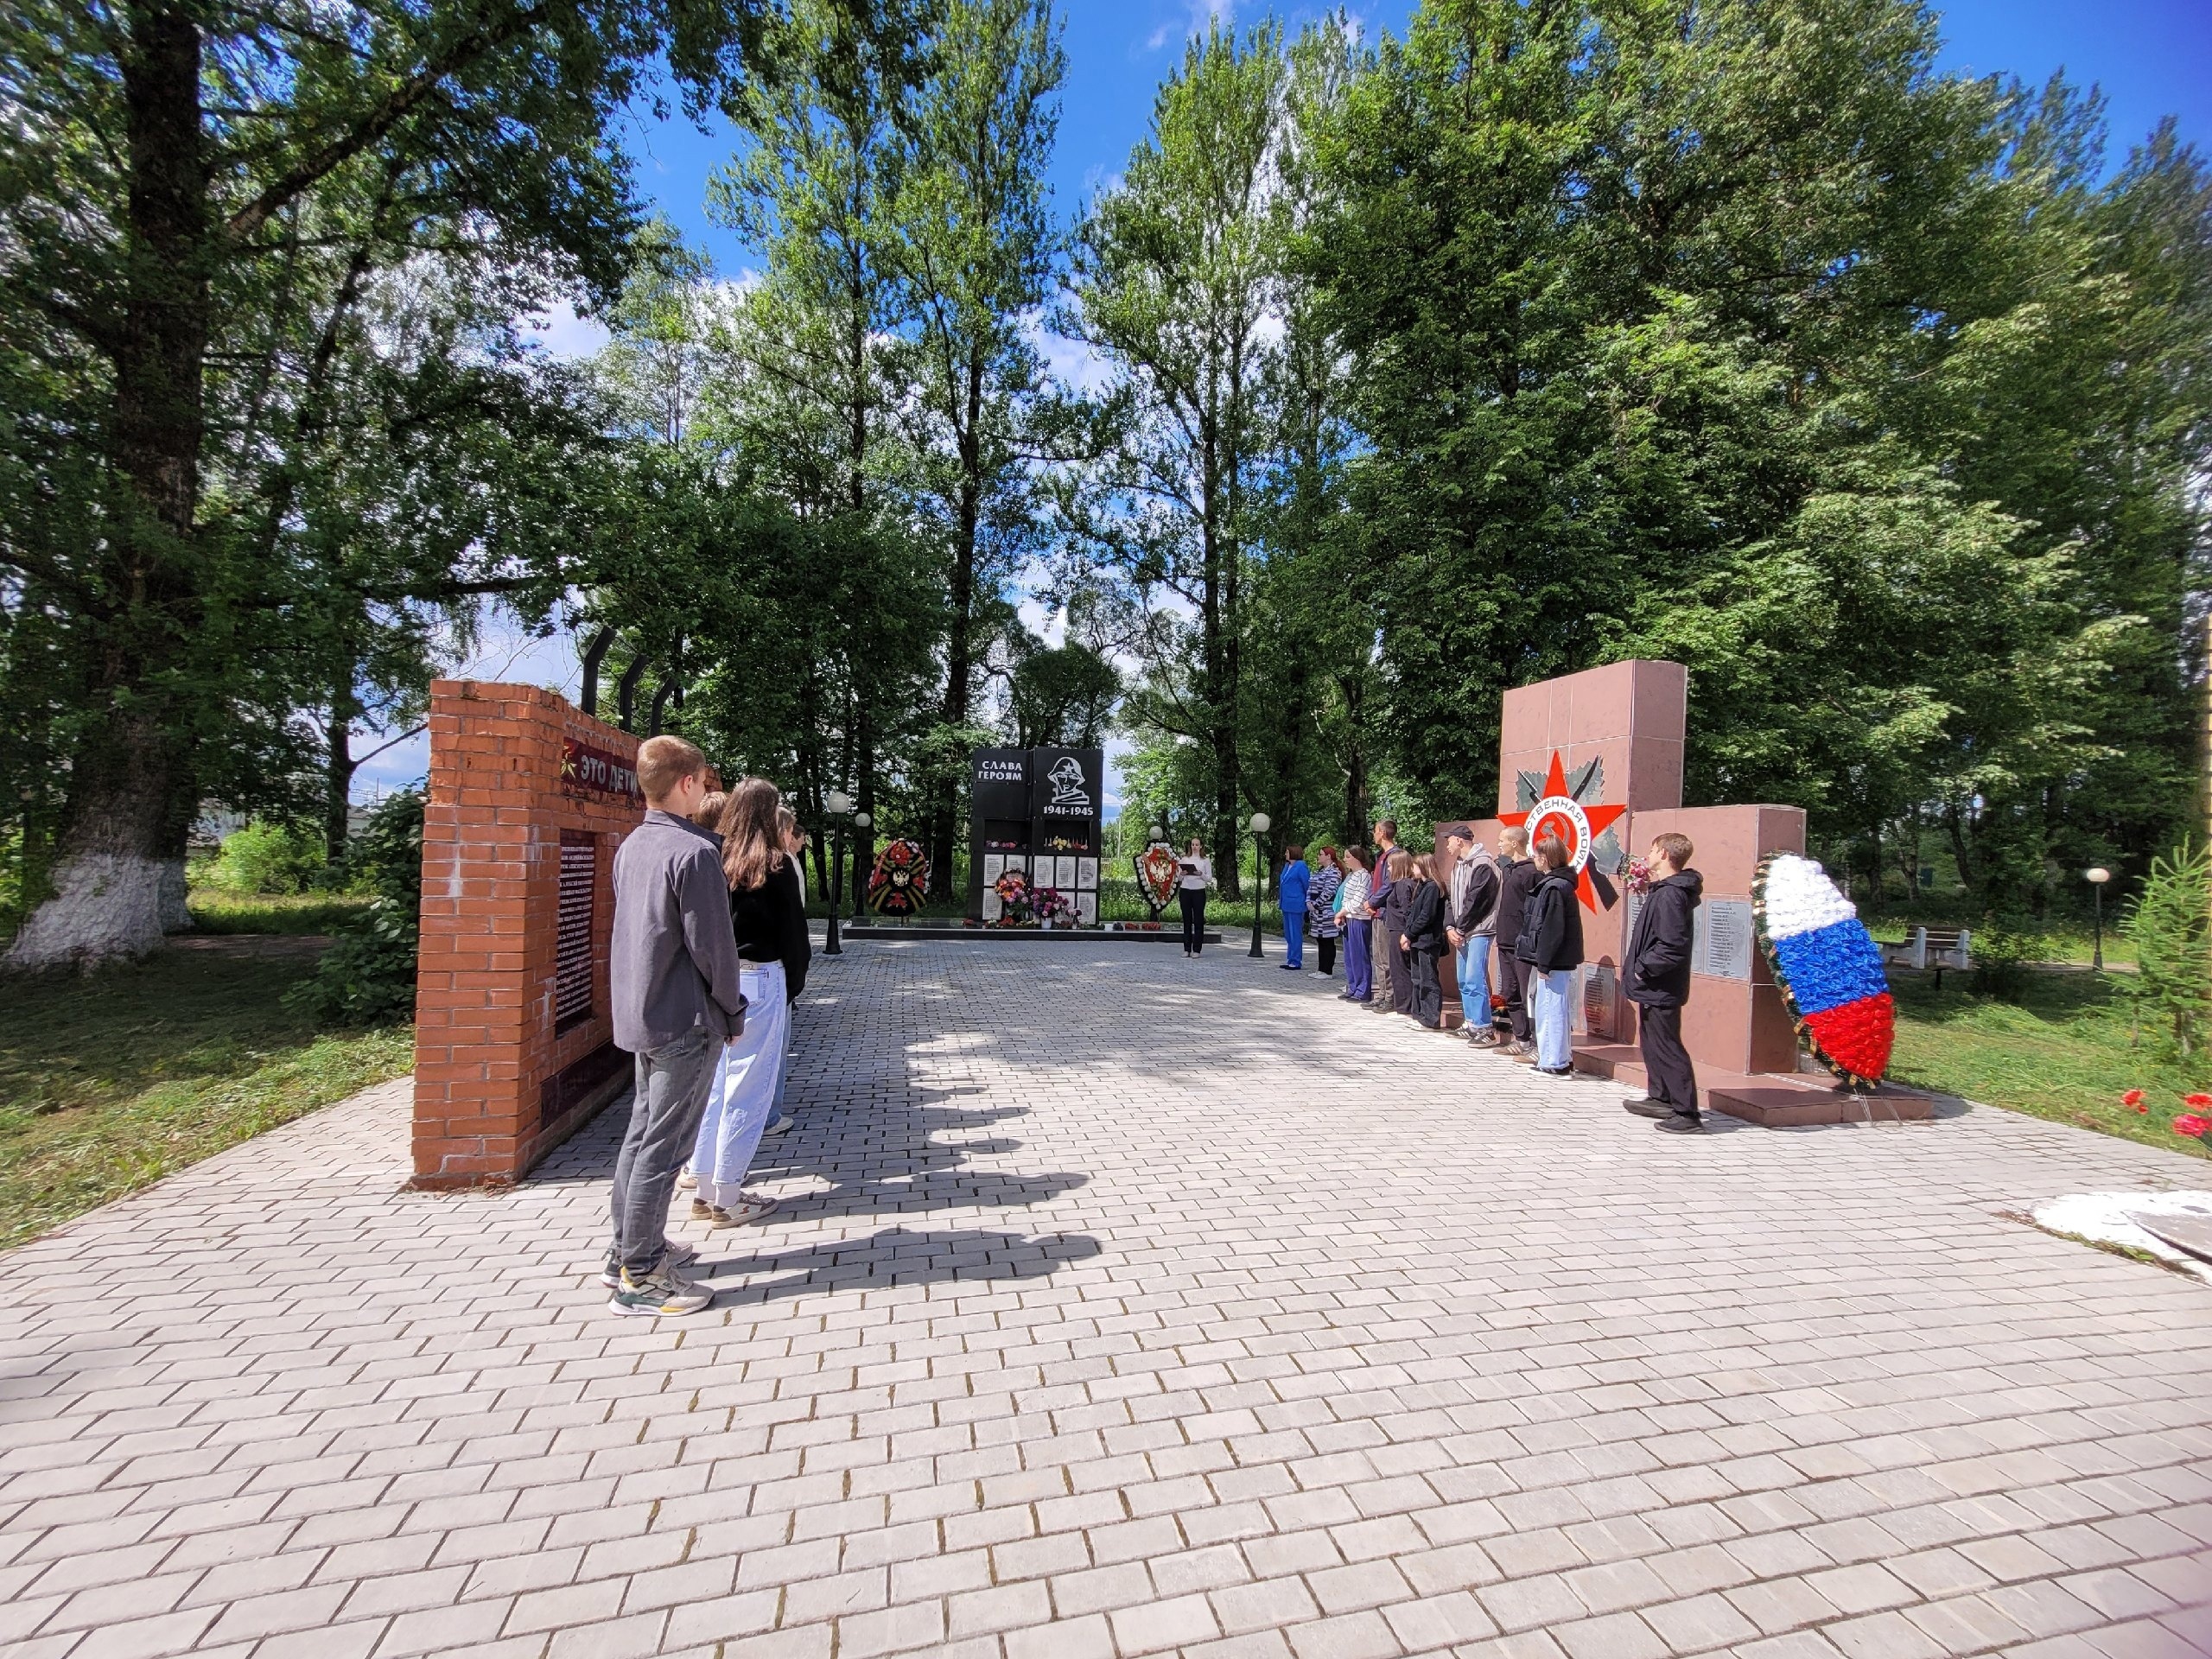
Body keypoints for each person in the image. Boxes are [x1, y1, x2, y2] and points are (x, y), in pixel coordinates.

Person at [606, 735, 746, 1317]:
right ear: (687, 783)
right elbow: (714, 947)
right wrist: (732, 1009)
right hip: (686, 1017)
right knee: (665, 1148)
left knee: (641, 1138)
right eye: (704, 781)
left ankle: (627, 1251)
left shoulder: (633, 846)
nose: (707, 790)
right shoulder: (694, 854)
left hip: (644, 1012)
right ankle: (641, 1277)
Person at [687, 779, 811, 1228]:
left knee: (715, 1086)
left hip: (717, 980)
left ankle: (702, 1187)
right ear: (766, 813)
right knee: (749, 1088)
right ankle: (729, 1195)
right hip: (762, 977)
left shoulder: (710, 859)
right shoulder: (775, 865)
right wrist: (792, 984)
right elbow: (795, 938)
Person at [1623, 832, 1704, 1133]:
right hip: (1654, 985)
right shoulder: (1665, 890)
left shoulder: (1671, 894)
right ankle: (1662, 1096)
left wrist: (1644, 969)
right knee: (1653, 1041)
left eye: (1653, 849)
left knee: (1668, 1045)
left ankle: (1687, 1112)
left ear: (1665, 854)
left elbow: (1672, 945)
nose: (1649, 854)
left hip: (1661, 984)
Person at [1515, 834, 1584, 1077]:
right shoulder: (1556, 884)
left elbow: (1552, 929)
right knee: (1553, 1008)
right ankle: (1559, 1058)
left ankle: (1554, 1061)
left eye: (1536, 855)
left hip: (1554, 961)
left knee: (1551, 1009)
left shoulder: (1555, 887)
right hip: (1554, 960)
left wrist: (1544, 961)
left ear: (1545, 859)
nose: (1534, 859)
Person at [1440, 824, 1501, 1046]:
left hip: (1479, 930)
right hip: (1461, 931)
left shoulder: (1483, 864)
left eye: (1450, 839)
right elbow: (1451, 899)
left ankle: (1485, 1029)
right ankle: (1471, 1022)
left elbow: (1477, 901)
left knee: (1475, 978)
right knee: (1464, 979)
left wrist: (1460, 928)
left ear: (1459, 840)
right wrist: (1449, 927)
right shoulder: (1458, 865)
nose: (1447, 843)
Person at [1492, 828, 1539, 1055]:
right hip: (1505, 940)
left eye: (1502, 841)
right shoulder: (1508, 869)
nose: (1499, 844)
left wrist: (1526, 937)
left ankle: (1535, 1043)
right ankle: (1521, 1040)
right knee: (1510, 991)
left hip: (1523, 943)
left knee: (1526, 992)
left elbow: (1533, 910)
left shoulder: (1531, 872)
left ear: (1514, 843)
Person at [1392, 849, 1449, 1029]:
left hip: (1428, 940)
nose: (1412, 869)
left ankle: (1431, 1018)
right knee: (1417, 978)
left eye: (1415, 865)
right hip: (1417, 939)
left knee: (1428, 979)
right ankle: (1419, 1013)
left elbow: (1426, 916)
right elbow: (1413, 913)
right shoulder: (1422, 886)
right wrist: (1408, 933)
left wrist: (1409, 933)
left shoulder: (1433, 887)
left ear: (1424, 867)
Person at [1363, 819, 1402, 1014]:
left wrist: (1373, 902)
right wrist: (1370, 901)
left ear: (1383, 833)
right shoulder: (1381, 856)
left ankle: (1390, 997)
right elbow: (1375, 883)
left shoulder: (1395, 856)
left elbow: (1390, 884)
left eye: (1375, 831)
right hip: (1377, 912)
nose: (1373, 834)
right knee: (1377, 955)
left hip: (1386, 912)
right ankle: (1381, 995)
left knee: (1386, 957)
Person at [1337, 847, 1373, 1002]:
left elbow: (1359, 900)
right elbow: (1345, 897)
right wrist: (1343, 914)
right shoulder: (1351, 875)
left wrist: (1341, 912)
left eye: (1348, 856)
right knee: (1350, 956)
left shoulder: (1364, 876)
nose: (1345, 860)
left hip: (1359, 919)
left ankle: (1362, 990)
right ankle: (1352, 986)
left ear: (1357, 858)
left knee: (1360, 955)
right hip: (1349, 918)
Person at [1177, 837, 1214, 957]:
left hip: (1199, 892)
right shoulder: (1184, 859)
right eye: (1193, 844)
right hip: (1185, 891)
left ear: (1201, 846)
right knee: (1186, 921)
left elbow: (1209, 878)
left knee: (1198, 921)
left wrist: (1200, 874)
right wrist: (1182, 874)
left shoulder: (1205, 860)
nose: (1194, 847)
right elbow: (1178, 878)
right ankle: (1187, 949)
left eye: (1197, 845)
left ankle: (1196, 950)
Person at [1277, 845, 1311, 971]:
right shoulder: (1287, 866)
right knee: (1288, 933)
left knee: (1295, 933)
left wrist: (1307, 900)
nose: (1285, 854)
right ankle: (1290, 958)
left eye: (1287, 852)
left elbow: (1306, 884)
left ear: (1293, 853)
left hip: (1296, 904)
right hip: (1286, 904)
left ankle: (1296, 961)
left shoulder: (1301, 866)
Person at [1309, 848, 1343, 977]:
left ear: (1328, 856)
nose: (1318, 856)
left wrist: (1316, 904)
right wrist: (1309, 902)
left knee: (1328, 941)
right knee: (1320, 940)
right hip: (1316, 913)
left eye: (1321, 854)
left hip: (1327, 912)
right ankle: (1321, 969)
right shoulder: (1320, 871)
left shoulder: (1334, 872)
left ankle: (1327, 970)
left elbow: (1329, 891)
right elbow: (1310, 888)